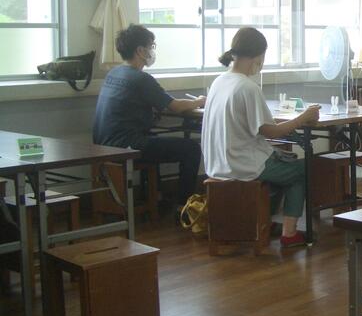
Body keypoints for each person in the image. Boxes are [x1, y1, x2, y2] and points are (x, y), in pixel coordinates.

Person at [201, 27, 320, 248]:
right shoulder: (248, 87)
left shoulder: (220, 81)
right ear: (259, 55)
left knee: (281, 163)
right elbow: (270, 132)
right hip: (242, 164)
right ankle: (290, 233)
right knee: (301, 171)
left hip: (217, 164)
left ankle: (264, 220)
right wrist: (303, 117)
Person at [93, 25, 206, 211]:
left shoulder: (114, 73)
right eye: (151, 46)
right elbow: (175, 106)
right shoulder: (141, 78)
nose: (152, 51)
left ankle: (156, 196)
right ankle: (183, 206)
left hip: (103, 143)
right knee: (191, 149)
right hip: (125, 146)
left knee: (154, 139)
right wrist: (200, 102)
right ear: (140, 50)